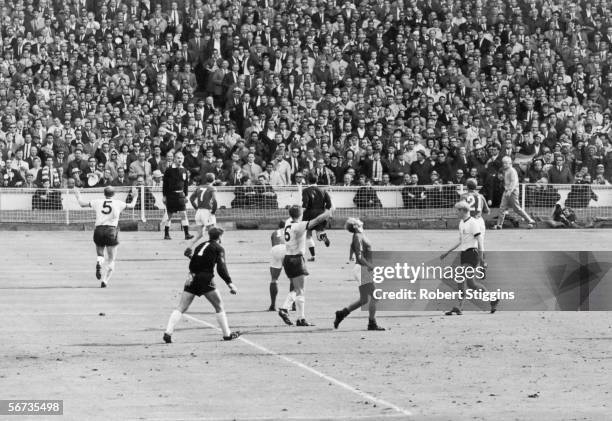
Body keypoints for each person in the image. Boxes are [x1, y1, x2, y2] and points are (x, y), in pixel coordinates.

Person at [163, 227, 240, 343]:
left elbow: (194, 262)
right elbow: (221, 268)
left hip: (192, 277)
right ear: (219, 237)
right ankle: (227, 334)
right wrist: (230, 283)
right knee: (219, 306)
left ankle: (168, 332)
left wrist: (189, 256)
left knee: (181, 307)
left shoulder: (201, 245)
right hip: (205, 278)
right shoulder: (219, 248)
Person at [440, 201, 498, 315]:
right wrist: (448, 252)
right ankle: (492, 299)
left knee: (460, 276)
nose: (455, 213)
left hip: (472, 254)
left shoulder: (473, 223)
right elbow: (461, 241)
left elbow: (480, 240)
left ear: (463, 210)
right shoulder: (461, 223)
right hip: (464, 254)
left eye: (457, 210)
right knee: (472, 284)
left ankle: (459, 307)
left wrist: (481, 258)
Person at [277, 205, 332, 327]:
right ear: (300, 214)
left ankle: (286, 309)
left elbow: (298, 217)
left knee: (296, 289)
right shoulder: (299, 226)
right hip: (297, 259)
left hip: (287, 258)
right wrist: (329, 211)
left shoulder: (287, 222)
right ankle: (299, 318)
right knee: (300, 290)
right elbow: (317, 221)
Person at [73, 186, 138, 288]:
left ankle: (99, 262)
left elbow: (82, 204)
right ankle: (105, 280)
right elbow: (132, 205)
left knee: (100, 253)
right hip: (111, 230)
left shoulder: (97, 202)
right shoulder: (119, 203)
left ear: (104, 194)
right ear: (114, 194)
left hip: (99, 230)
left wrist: (78, 195)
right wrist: (135, 196)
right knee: (111, 259)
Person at [333, 218, 385, 331]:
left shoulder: (359, 234)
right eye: (356, 221)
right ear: (356, 226)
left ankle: (341, 313)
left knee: (364, 300)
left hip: (363, 269)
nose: (359, 220)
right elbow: (360, 257)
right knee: (376, 296)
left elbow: (352, 246)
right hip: (363, 269)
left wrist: (350, 255)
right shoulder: (358, 236)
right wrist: (370, 266)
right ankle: (372, 323)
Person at [494, 156, 536, 229]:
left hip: (513, 191)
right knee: (502, 208)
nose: (504, 164)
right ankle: (499, 225)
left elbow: (514, 182)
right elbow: (506, 180)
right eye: (503, 163)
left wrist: (510, 191)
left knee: (516, 208)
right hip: (507, 190)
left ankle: (530, 220)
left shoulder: (512, 170)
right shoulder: (505, 170)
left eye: (506, 163)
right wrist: (501, 178)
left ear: (510, 163)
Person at [161, 152, 194, 240]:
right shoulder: (169, 170)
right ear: (174, 159)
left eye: (181, 158)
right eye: (178, 158)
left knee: (183, 214)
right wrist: (164, 196)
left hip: (181, 196)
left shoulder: (184, 170)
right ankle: (166, 234)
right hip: (171, 195)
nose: (180, 160)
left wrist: (186, 196)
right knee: (169, 215)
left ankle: (187, 234)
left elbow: (186, 185)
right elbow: (165, 184)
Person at [301, 173, 333, 262]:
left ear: (308, 180)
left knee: (308, 235)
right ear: (317, 180)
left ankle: (313, 256)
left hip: (309, 214)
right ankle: (323, 237)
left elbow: (305, 204)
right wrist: (325, 212)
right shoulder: (323, 190)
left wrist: (300, 214)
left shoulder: (306, 191)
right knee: (319, 233)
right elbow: (329, 204)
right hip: (320, 213)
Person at [185, 173, 217, 257]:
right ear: (213, 180)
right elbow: (215, 201)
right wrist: (213, 211)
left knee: (199, 235)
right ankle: (212, 252)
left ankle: (189, 248)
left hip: (199, 212)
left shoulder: (199, 187)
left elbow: (191, 199)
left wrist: (196, 208)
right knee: (213, 234)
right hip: (207, 212)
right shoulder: (212, 188)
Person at [460, 178, 490, 248]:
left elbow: (461, 208)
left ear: (466, 186)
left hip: (468, 221)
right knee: (480, 241)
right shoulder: (481, 196)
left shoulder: (463, 196)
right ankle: (481, 256)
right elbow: (487, 210)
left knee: (468, 243)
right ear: (476, 187)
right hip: (479, 220)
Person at [268, 220, 289, 311]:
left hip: (276, 250)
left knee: (274, 279)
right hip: (288, 250)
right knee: (294, 279)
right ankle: (293, 304)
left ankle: (273, 305)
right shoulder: (290, 230)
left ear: (278, 226)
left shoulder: (274, 233)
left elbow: (273, 245)